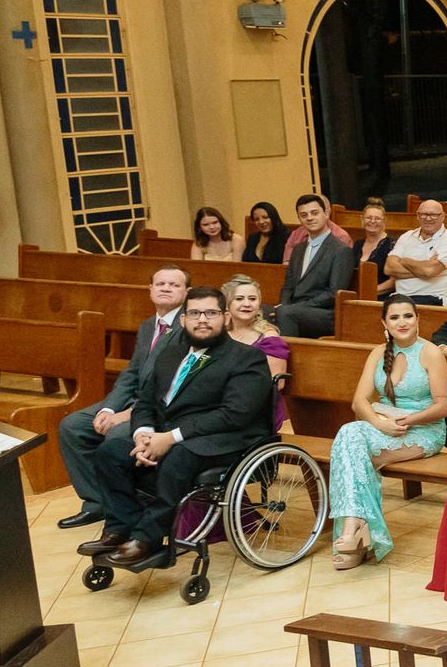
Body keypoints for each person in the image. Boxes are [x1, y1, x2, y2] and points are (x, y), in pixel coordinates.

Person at [74, 285, 274, 567]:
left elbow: (235, 415)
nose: (202, 319)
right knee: (110, 453)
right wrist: (143, 433)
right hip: (169, 433)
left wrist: (170, 437)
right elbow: (145, 402)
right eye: (194, 313)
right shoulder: (170, 355)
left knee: (178, 457)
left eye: (211, 313)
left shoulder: (246, 358)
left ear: (225, 317)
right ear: (183, 319)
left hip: (228, 438)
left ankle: (147, 538)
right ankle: (121, 528)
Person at [56, 266, 190, 530]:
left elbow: (170, 386)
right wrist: (107, 409)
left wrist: (125, 415)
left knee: (115, 436)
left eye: (174, 285)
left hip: (160, 407)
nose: (165, 288)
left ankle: (128, 507)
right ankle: (97, 503)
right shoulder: (148, 326)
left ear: (186, 292)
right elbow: (131, 374)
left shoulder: (187, 328)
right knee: (72, 426)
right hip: (134, 402)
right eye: (160, 283)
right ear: (150, 289)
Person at [324, 295, 447, 569]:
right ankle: (355, 528)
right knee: (350, 435)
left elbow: (443, 406)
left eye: (407, 316)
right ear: (384, 323)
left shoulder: (430, 353)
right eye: (394, 317)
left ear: (418, 319)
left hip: (423, 430)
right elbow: (359, 401)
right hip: (385, 427)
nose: (402, 322)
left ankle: (353, 533)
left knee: (353, 450)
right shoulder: (378, 353)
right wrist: (380, 423)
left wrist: (408, 419)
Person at [275, 193, 357, 338]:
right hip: (296, 309)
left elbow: (333, 293)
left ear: (326, 214)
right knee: (259, 311)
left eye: (314, 213)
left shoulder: (341, 250)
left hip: (325, 313)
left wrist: (292, 308)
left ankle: (283, 360)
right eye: (304, 215)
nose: (309, 218)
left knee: (285, 314)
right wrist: (284, 304)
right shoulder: (298, 249)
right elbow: (288, 286)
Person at [221, 274, 290, 431]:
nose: (247, 304)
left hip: (255, 409)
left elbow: (277, 383)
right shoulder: (219, 335)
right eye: (239, 299)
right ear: (227, 303)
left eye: (252, 299)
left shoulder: (269, 337)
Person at [380, 200, 447, 306]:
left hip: (433, 298)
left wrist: (405, 261)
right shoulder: (407, 236)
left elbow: (429, 271)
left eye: (433, 215)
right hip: (400, 298)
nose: (428, 218)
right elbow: (389, 268)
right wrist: (424, 268)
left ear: (442, 216)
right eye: (424, 214)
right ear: (417, 215)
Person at [348, 199, 396, 292]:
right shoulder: (358, 244)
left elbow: (394, 282)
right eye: (369, 218)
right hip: (357, 295)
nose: (372, 221)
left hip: (380, 297)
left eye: (377, 218)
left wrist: (370, 292)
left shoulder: (392, 245)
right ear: (362, 219)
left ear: (384, 221)